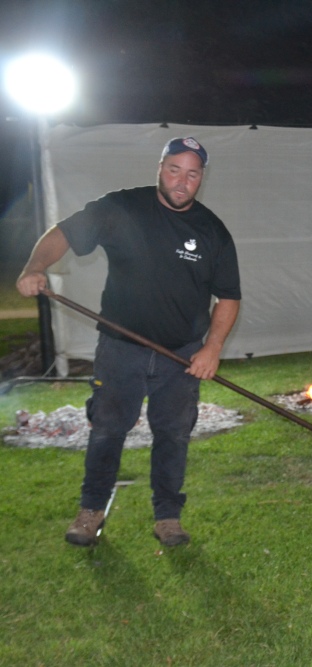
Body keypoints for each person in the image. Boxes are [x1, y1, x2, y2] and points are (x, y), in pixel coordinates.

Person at [16, 137, 241, 548]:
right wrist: (35, 266)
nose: (181, 181)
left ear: (201, 178)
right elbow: (63, 233)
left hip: (181, 355)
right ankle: (91, 512)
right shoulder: (121, 208)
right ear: (160, 167)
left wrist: (212, 348)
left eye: (192, 174)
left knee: (173, 434)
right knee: (107, 430)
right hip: (121, 349)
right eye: (175, 169)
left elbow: (229, 296)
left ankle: (168, 517)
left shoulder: (212, 231)